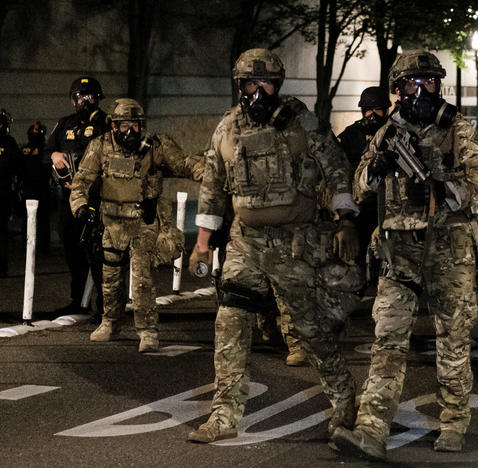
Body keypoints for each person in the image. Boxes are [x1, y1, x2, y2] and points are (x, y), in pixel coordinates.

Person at [186, 48, 362, 443]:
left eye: (266, 83)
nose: (258, 91)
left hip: (292, 246)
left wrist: (345, 219)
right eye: (250, 83)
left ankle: (345, 400)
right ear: (239, 86)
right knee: (229, 324)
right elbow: (212, 185)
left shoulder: (301, 123)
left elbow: (335, 167)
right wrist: (202, 243)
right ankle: (223, 416)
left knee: (310, 329)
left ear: (277, 85)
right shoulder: (227, 128)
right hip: (243, 245)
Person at [331, 50, 478, 460]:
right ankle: (371, 429)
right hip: (399, 253)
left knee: (453, 341)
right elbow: (359, 187)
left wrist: (444, 190)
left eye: (429, 83)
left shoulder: (459, 130)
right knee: (387, 341)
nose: (421, 91)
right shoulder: (387, 132)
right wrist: (377, 167)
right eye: (412, 84)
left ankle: (454, 421)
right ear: (398, 90)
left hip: (449, 252)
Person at [69, 98, 204, 352]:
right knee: (110, 279)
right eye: (123, 126)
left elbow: (184, 164)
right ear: (113, 126)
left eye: (135, 125)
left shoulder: (155, 146)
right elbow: (82, 181)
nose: (129, 131)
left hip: (143, 223)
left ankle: (147, 331)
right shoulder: (100, 146)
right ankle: (110, 322)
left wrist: (211, 171)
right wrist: (80, 208)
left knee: (142, 280)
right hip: (112, 223)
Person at [47, 77, 110, 316]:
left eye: (89, 96)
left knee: (98, 252)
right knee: (72, 249)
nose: (84, 101)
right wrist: (54, 155)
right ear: (73, 100)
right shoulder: (65, 124)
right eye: (80, 97)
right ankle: (78, 301)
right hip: (69, 198)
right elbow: (47, 151)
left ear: (97, 98)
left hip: (96, 197)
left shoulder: (106, 123)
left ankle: (106, 305)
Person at [337, 86, 391, 283]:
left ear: (386, 109)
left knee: (384, 252)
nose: (372, 114)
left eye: (378, 109)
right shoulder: (351, 134)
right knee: (356, 251)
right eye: (368, 109)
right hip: (360, 204)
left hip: (387, 204)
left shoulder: (393, 132)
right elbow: (338, 166)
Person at [20, 122, 52, 253]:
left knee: (30, 218)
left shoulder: (24, 150)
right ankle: (42, 247)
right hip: (40, 188)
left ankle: (29, 246)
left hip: (31, 189)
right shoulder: (46, 150)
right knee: (42, 219)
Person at [0, 109, 22, 277]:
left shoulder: (9, 142)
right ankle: (2, 267)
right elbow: (18, 166)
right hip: (4, 192)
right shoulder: (9, 142)